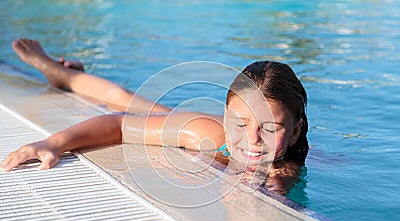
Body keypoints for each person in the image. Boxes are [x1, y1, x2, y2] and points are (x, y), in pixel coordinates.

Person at [0, 38, 309, 174]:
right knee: (129, 102)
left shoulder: (290, 158)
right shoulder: (211, 134)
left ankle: (70, 75)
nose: (254, 139)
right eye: (241, 124)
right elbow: (119, 124)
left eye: (270, 128)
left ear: (295, 133)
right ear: (227, 118)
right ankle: (62, 73)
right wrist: (52, 143)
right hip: (202, 127)